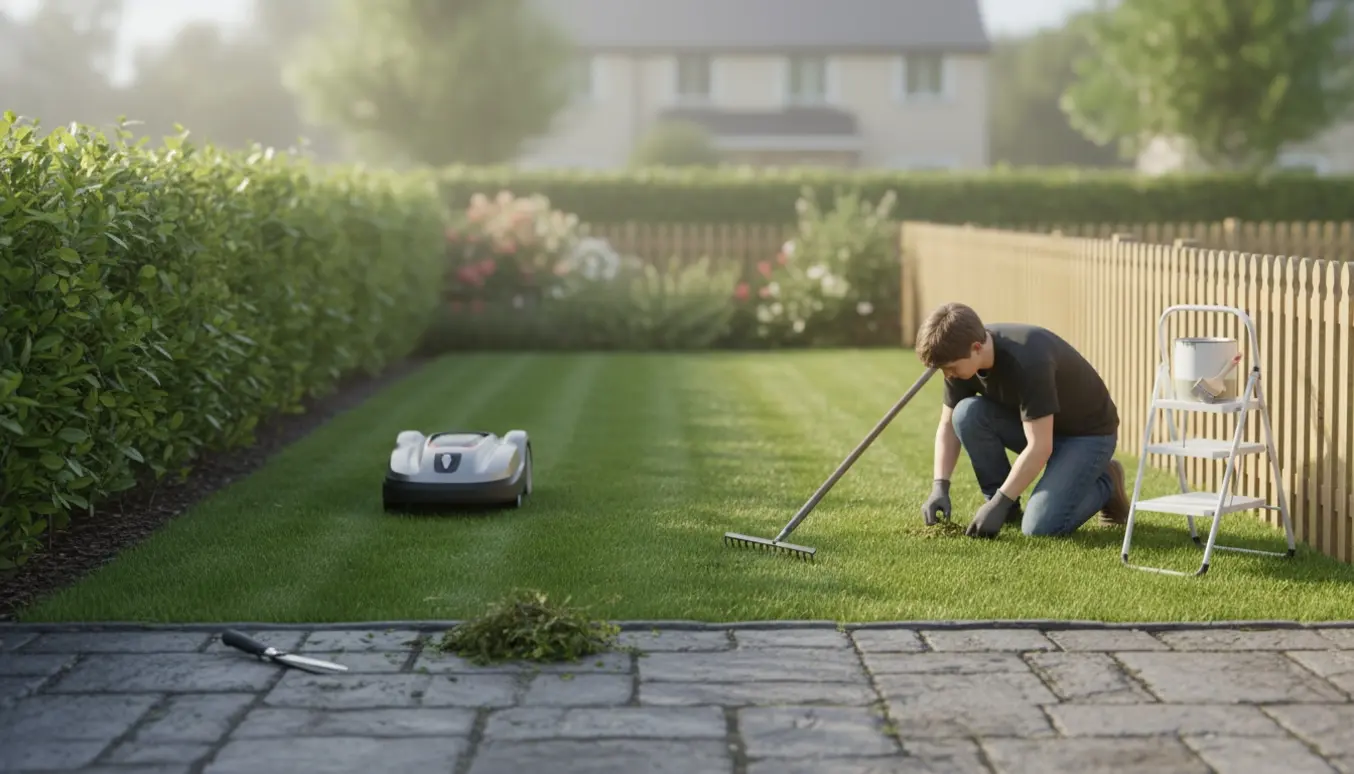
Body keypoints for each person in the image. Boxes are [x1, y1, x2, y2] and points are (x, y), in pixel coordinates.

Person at [914, 302, 1129, 538]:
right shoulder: (959, 353)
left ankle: (1107, 483)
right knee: (966, 414)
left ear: (976, 348)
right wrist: (940, 486)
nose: (948, 375)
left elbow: (1040, 447)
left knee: (1040, 528)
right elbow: (948, 426)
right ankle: (1006, 510)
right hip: (1041, 429)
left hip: (1087, 436)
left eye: (951, 368)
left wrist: (1000, 501)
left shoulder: (1029, 359)